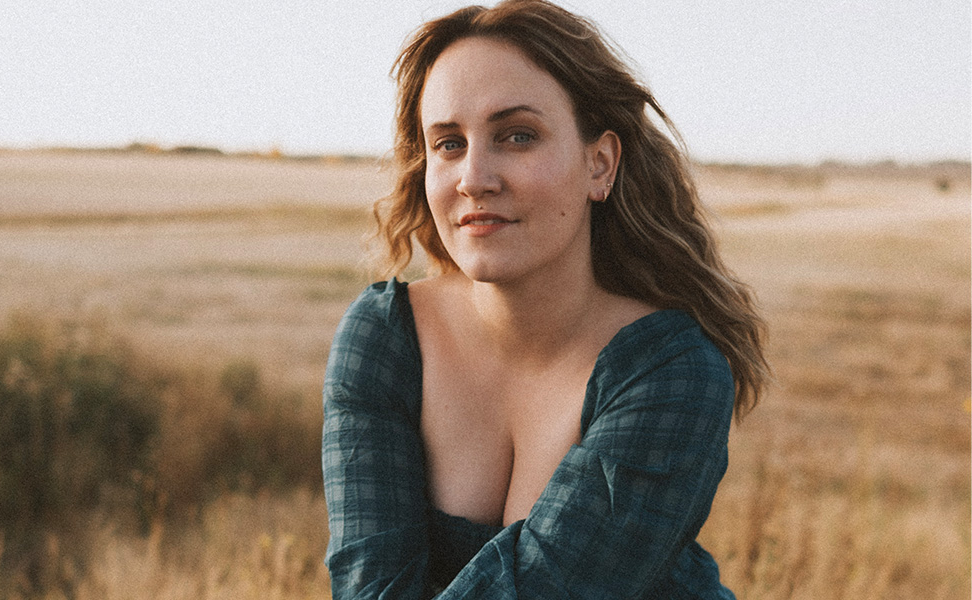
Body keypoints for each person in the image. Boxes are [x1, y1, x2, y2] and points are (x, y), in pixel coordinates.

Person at [322, 1, 769, 597]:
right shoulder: (385, 339)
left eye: (517, 136)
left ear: (599, 164)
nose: (473, 177)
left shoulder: (672, 371)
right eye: (449, 144)